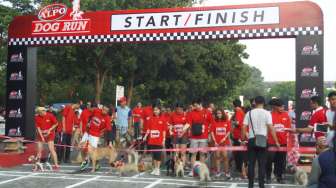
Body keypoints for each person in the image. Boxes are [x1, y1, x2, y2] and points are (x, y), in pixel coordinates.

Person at [242, 96, 280, 188]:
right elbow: (271, 128)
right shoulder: (267, 113)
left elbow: (243, 127)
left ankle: (250, 185)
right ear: (263, 103)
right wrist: (276, 141)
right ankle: (261, 185)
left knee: (251, 163)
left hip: (251, 139)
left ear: (255, 102)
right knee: (262, 164)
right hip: (262, 140)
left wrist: (243, 139)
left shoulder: (249, 113)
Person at [266, 98, 291, 184]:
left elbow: (288, 128)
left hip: (283, 143)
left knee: (281, 161)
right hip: (271, 143)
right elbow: (268, 129)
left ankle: (279, 176)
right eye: (281, 106)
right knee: (269, 160)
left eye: (283, 106)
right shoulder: (269, 115)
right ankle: (268, 176)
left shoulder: (286, 115)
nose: (283, 107)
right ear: (275, 107)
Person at [185, 99, 213, 175]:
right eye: (194, 105)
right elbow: (188, 123)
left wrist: (210, 134)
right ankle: (192, 170)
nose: (194, 107)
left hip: (204, 137)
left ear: (200, 104)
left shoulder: (207, 112)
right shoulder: (191, 113)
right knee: (193, 154)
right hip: (194, 137)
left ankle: (202, 170)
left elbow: (212, 123)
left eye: (196, 105)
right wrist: (183, 130)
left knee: (202, 154)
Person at [143, 105, 167, 176]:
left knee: (158, 155)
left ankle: (158, 169)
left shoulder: (163, 119)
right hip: (152, 140)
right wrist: (145, 136)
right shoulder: (151, 119)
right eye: (154, 110)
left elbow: (164, 130)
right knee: (154, 155)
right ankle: (155, 168)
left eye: (157, 110)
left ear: (160, 111)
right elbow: (148, 129)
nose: (155, 111)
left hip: (159, 140)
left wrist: (164, 139)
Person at [210, 108, 231, 178]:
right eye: (217, 113)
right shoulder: (214, 121)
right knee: (217, 157)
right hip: (217, 143)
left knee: (225, 157)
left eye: (220, 113)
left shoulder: (227, 121)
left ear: (223, 114)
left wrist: (224, 138)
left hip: (224, 143)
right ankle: (218, 172)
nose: (219, 115)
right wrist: (215, 141)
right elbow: (212, 132)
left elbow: (228, 131)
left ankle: (227, 172)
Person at [231, 99, 247, 179]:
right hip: (239, 135)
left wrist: (232, 122)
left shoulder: (238, 111)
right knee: (238, 154)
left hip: (239, 136)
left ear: (234, 105)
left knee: (239, 155)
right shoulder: (241, 111)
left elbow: (237, 123)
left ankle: (241, 171)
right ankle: (241, 170)